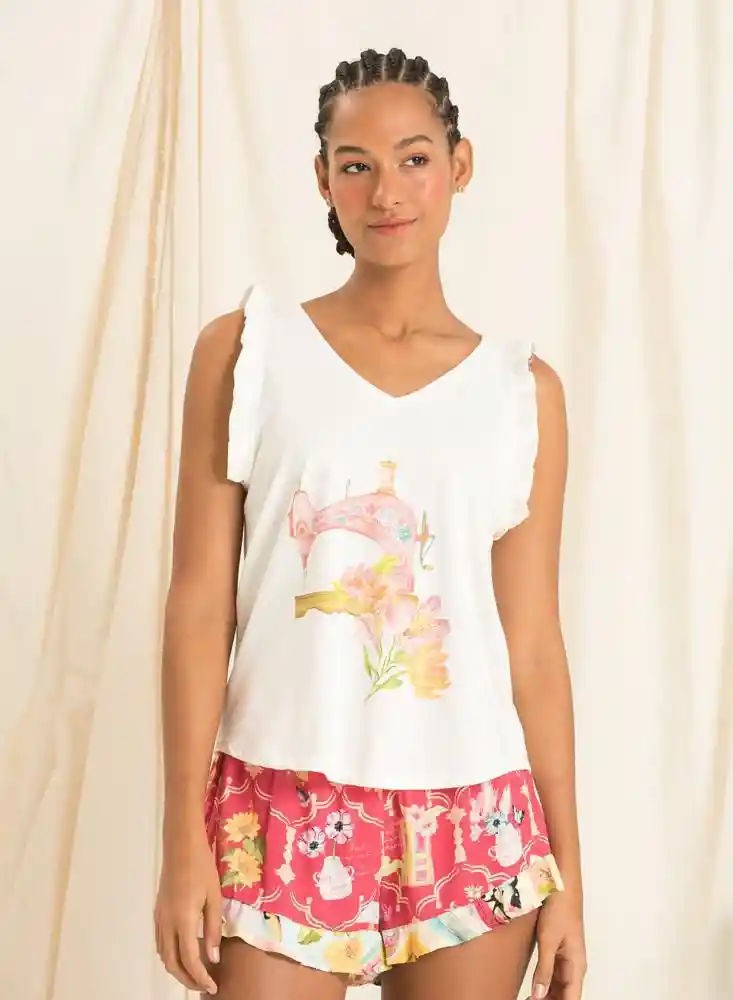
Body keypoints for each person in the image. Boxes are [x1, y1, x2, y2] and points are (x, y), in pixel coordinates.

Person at [154, 47, 587, 1000]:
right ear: (323, 179)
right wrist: (182, 840)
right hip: (276, 797)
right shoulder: (247, 351)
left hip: (476, 811)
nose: (386, 191)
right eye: (355, 164)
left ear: (459, 165)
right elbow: (197, 606)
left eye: (413, 158)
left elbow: (532, 647)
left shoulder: (522, 392)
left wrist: (569, 877)